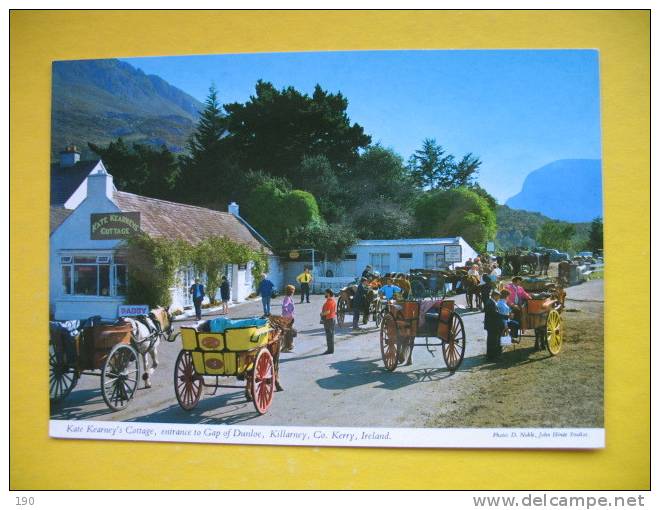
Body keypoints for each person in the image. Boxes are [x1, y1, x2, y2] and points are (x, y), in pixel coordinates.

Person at [484, 289, 508, 360]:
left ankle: (491, 356)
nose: (499, 298)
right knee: (493, 342)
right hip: (492, 325)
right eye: (498, 297)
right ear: (495, 296)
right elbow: (495, 314)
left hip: (492, 325)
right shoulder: (491, 303)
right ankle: (493, 357)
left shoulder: (491, 302)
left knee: (492, 341)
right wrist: (506, 316)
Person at [320, 289, 337, 354]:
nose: (325, 294)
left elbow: (327, 312)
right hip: (332, 319)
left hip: (328, 319)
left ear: (328, 294)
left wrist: (321, 314)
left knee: (329, 336)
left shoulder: (329, 302)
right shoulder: (333, 301)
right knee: (331, 335)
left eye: (325, 293)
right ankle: (331, 349)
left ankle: (330, 350)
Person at [281, 285, 296, 352]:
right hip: (288, 318)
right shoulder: (287, 298)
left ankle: (289, 345)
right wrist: (288, 313)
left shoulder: (288, 298)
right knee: (288, 332)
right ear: (291, 291)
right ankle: (286, 347)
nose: (293, 292)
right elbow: (284, 306)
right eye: (293, 290)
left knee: (289, 331)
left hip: (288, 317)